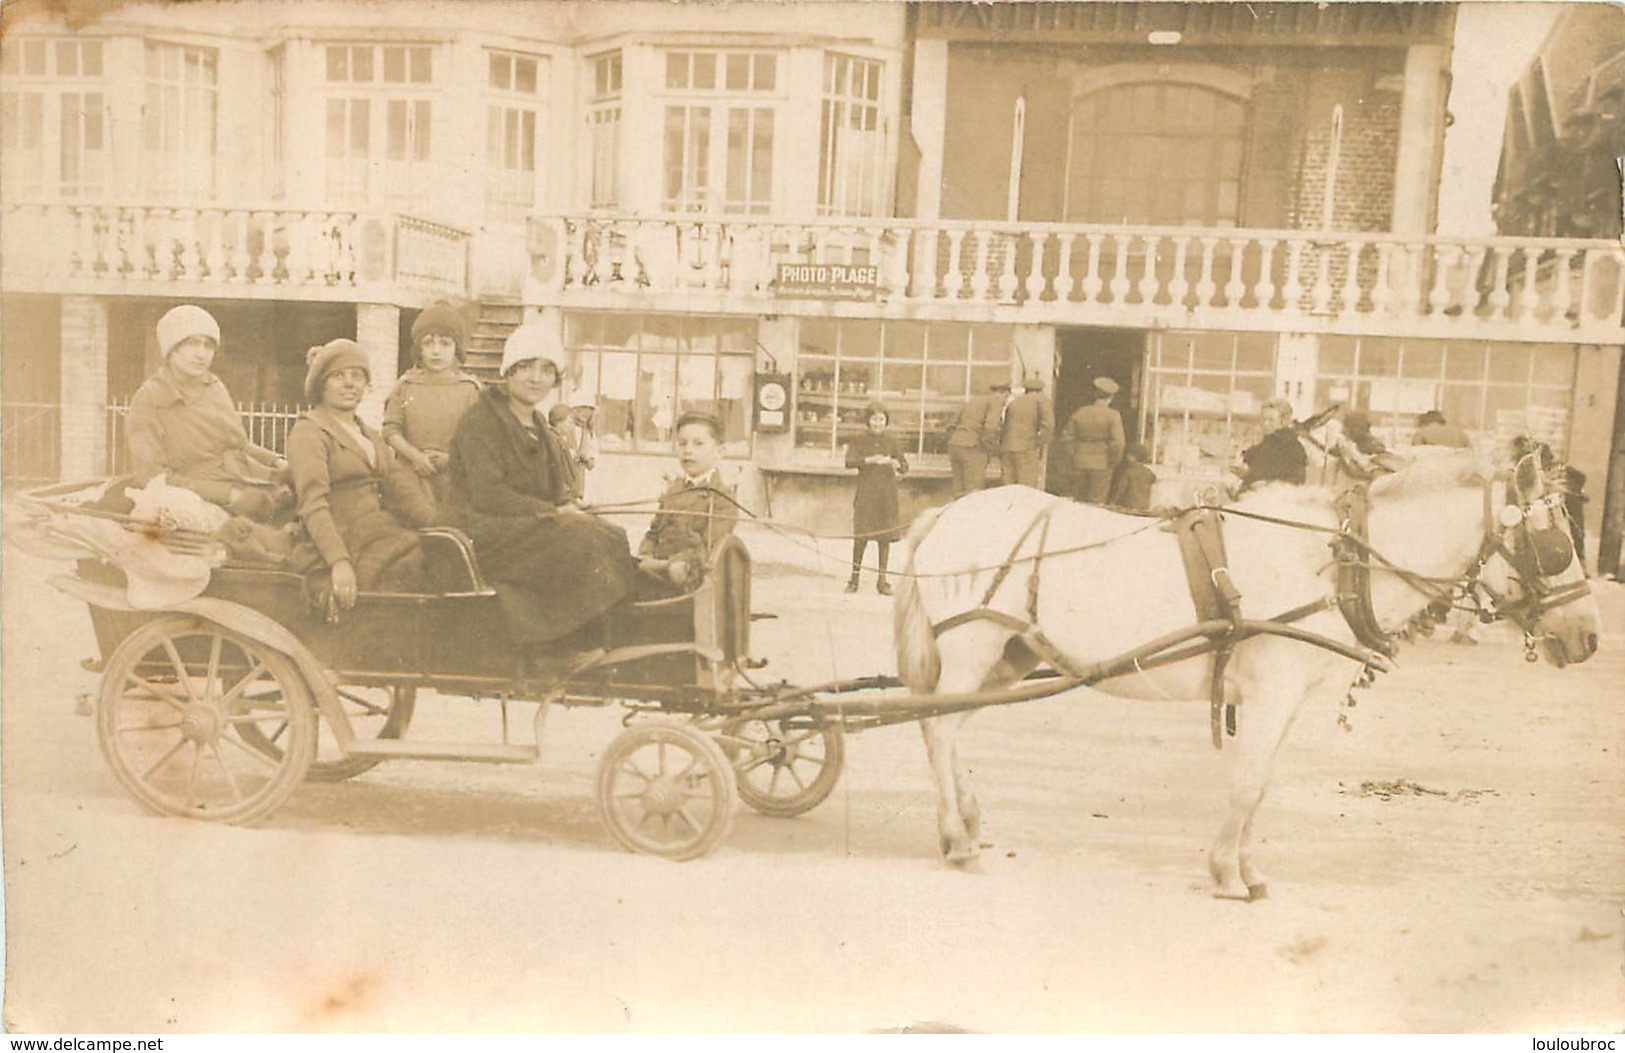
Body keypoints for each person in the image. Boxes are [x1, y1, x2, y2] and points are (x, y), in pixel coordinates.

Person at [444, 323, 640, 648]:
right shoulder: (480, 422)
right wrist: (554, 512)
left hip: (523, 524)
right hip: (481, 530)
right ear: (508, 371)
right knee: (580, 539)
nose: (536, 378)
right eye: (526, 367)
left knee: (610, 533)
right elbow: (488, 494)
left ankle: (610, 627)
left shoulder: (539, 426)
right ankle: (566, 643)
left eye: (546, 370)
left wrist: (570, 505)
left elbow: (554, 490)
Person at [285, 340, 435, 609]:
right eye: (337, 376)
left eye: (357, 376)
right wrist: (339, 561)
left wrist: (441, 526)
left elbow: (400, 487)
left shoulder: (370, 435)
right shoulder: (309, 432)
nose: (349, 383)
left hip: (377, 532)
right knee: (410, 573)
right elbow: (313, 504)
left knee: (439, 558)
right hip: (339, 541)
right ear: (321, 385)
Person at [126, 304, 289, 519]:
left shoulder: (214, 386)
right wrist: (226, 494)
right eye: (192, 344)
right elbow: (150, 476)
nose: (201, 354)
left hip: (242, 478)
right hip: (194, 497)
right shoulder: (149, 398)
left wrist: (277, 462)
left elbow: (238, 444)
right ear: (172, 349)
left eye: (208, 345)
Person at [381, 301, 482, 514]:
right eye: (428, 343)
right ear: (419, 348)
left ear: (457, 348)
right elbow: (390, 431)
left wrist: (452, 459)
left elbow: (478, 440)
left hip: (455, 477)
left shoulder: (469, 390)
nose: (436, 351)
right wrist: (415, 456)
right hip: (411, 474)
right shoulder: (406, 386)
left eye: (445, 344)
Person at [638, 412, 739, 595]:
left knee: (677, 571)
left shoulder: (722, 497)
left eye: (698, 444)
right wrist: (644, 554)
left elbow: (708, 551)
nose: (688, 450)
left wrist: (662, 565)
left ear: (719, 451)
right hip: (657, 572)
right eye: (682, 443)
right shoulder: (674, 489)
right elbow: (654, 532)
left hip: (692, 578)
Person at [844, 401, 909, 596]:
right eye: (874, 419)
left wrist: (896, 463)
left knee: (884, 539)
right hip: (866, 494)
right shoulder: (859, 440)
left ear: (886, 421)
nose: (878, 423)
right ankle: (854, 580)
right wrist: (869, 460)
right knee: (861, 538)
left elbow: (905, 466)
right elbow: (848, 462)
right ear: (868, 421)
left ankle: (882, 581)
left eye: (881, 419)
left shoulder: (893, 441)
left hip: (886, 496)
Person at [1062, 376, 1126, 504]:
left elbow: (1066, 438)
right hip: (1102, 463)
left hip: (1079, 462)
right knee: (1096, 503)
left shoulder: (1081, 412)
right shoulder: (1113, 415)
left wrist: (1074, 456)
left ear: (1095, 394)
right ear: (1111, 397)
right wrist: (1112, 461)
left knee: (1077, 502)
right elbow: (1119, 443)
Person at [997, 372, 1054, 488]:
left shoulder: (1014, 402)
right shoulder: (1041, 400)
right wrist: (1039, 444)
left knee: (1008, 488)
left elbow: (1004, 425)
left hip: (1007, 448)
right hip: (1027, 449)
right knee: (1026, 488)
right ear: (1040, 390)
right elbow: (1048, 425)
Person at [1238, 397, 1308, 491]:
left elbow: (1297, 481)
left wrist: (1268, 485)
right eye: (1263, 419)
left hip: (1275, 500)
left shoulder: (1293, 448)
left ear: (1283, 422)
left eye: (1271, 420)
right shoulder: (1262, 446)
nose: (1265, 424)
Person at [945, 381, 1000, 498]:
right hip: (972, 447)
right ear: (1004, 393)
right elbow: (990, 428)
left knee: (959, 491)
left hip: (955, 445)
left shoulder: (972, 401)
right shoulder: (995, 401)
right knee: (974, 492)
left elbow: (950, 425)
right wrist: (991, 448)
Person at [1109, 442, 1157, 511]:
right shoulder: (1148, 472)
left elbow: (1121, 488)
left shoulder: (1128, 471)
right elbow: (1154, 479)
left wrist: (1113, 502)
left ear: (1131, 457)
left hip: (1128, 505)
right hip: (1144, 506)